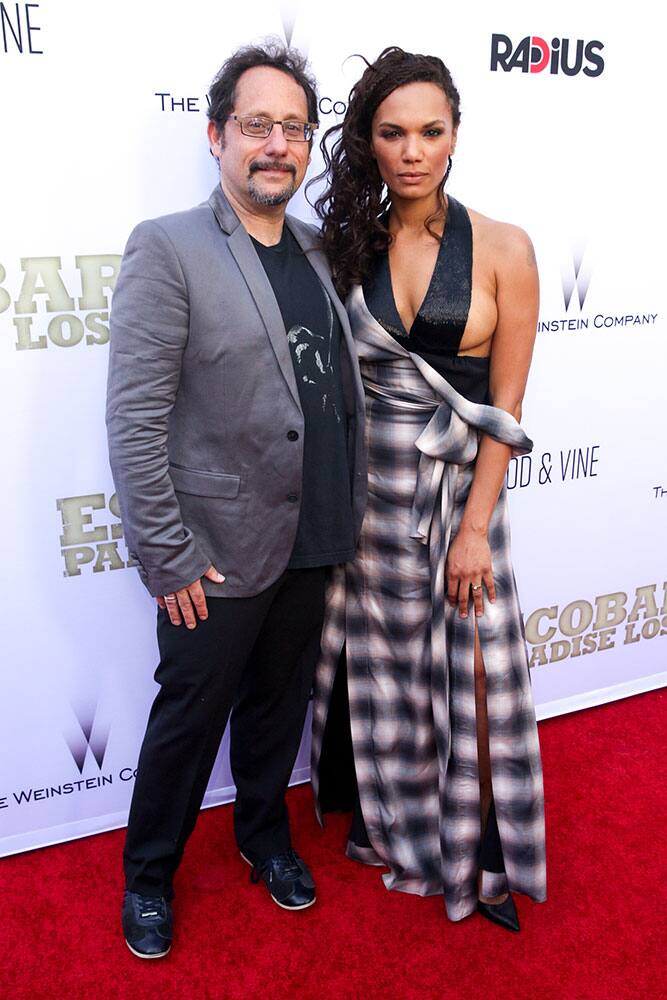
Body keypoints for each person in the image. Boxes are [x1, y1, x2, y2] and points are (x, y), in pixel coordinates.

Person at [106, 41, 366, 959]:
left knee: (277, 707)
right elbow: (135, 418)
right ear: (216, 135)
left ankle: (263, 838)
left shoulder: (315, 248)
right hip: (213, 545)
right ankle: (148, 876)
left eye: (294, 128)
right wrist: (168, 553)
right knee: (189, 717)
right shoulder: (167, 246)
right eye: (257, 125)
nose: (277, 145)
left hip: (314, 529)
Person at [310, 47, 546, 931]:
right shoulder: (346, 245)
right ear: (368, 143)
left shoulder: (505, 247)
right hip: (369, 498)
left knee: (474, 671)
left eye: (430, 131)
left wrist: (476, 525)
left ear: (454, 135)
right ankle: (393, 829)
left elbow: (507, 403)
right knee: (385, 676)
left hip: (459, 495)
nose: (412, 150)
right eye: (391, 133)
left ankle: (476, 857)